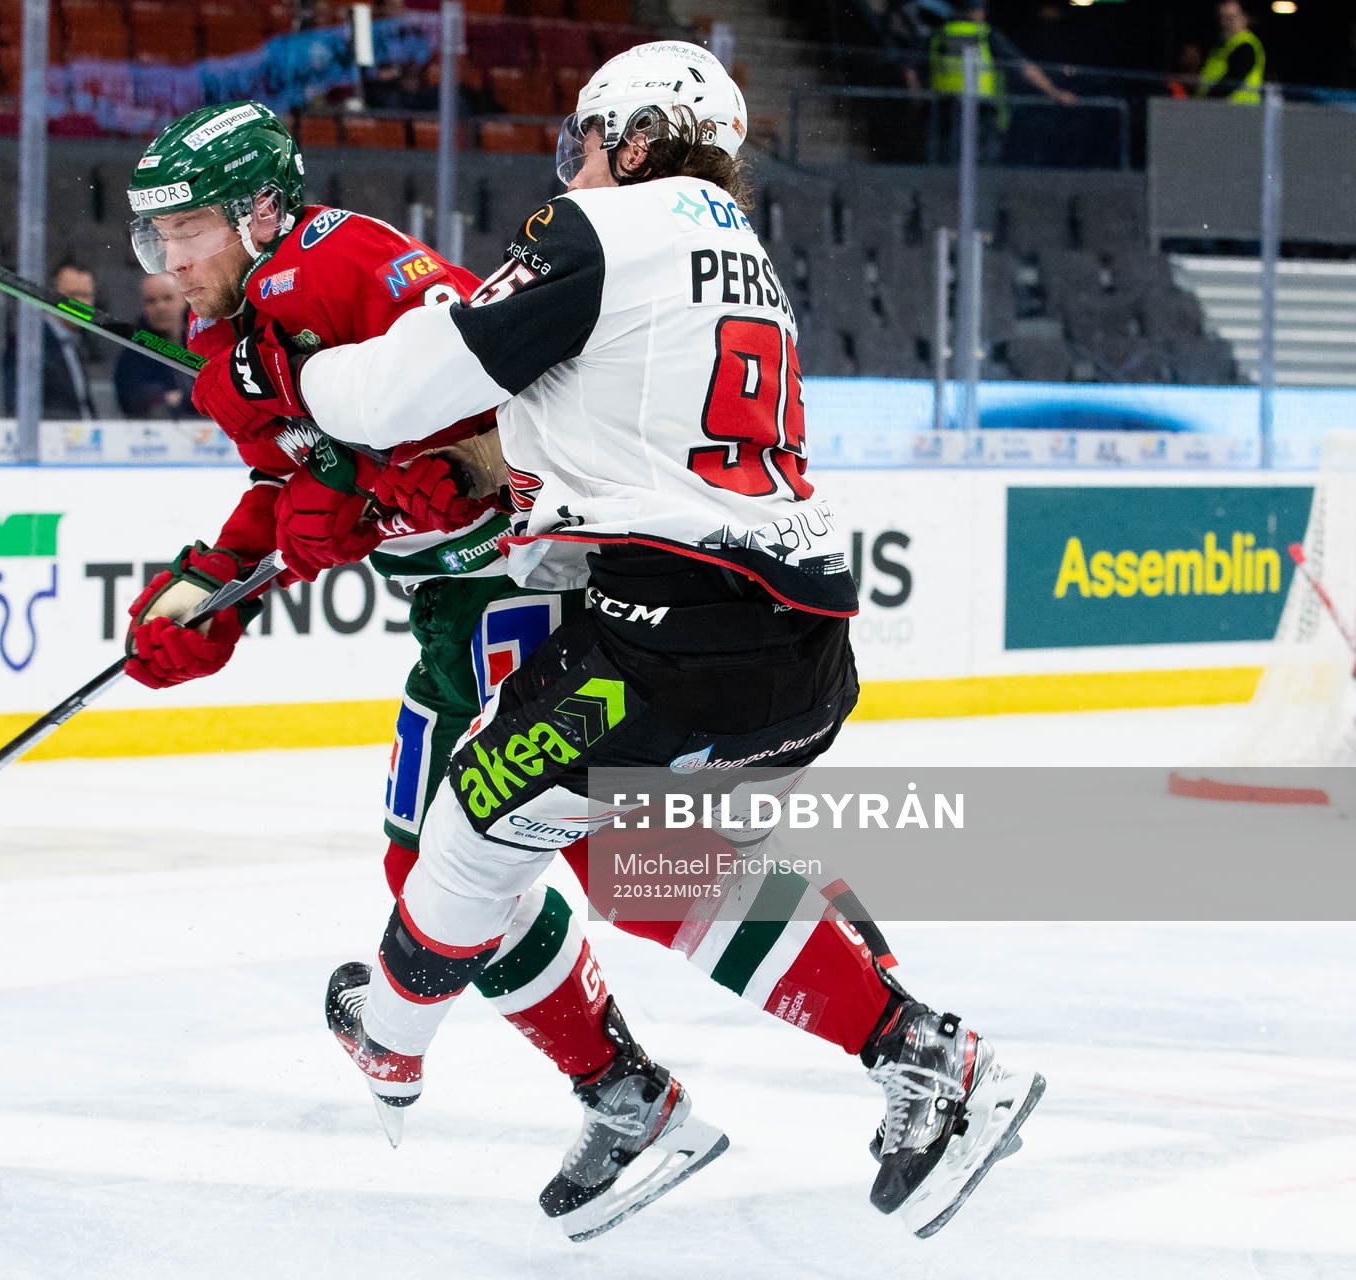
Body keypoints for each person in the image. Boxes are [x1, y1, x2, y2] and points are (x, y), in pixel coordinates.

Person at [226, 40, 1044, 1239]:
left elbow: (409, 386)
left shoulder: (603, 230)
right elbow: (585, 416)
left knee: (468, 829)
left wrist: (304, 387)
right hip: (803, 653)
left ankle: (388, 1036)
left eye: (590, 140)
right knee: (654, 872)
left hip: (672, 640)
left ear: (642, 134)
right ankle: (918, 1053)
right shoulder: (738, 253)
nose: (578, 163)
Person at [121, 99, 720, 1237]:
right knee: (503, 863)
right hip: (454, 607)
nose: (174, 259)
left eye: (191, 227)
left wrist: (432, 474)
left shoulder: (348, 264)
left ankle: (662, 1081)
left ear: (260, 208)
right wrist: (205, 590)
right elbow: (295, 477)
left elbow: (515, 384)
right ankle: (658, 1078)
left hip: (524, 581)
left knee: (465, 871)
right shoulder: (229, 344)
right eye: (157, 239)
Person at [925, 3, 1076, 163]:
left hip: (944, 107)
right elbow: (1024, 69)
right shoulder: (985, 34)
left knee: (947, 157)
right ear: (978, 11)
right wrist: (1055, 93)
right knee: (984, 158)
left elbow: (917, 69)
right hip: (981, 106)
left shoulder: (940, 34)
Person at [4, 260, 101, 419]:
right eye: (72, 295)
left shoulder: (79, 344)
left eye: (86, 296)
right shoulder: (29, 343)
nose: (80, 303)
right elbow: (15, 403)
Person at [110, 273, 191, 418]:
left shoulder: (203, 342)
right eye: (151, 301)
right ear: (143, 307)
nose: (160, 307)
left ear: (184, 299)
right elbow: (131, 400)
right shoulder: (132, 354)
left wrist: (182, 398)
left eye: (168, 298)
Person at [1200, 0, 1265, 103]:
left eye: (1230, 18)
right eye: (1221, 17)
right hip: (1217, 109)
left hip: (1237, 110)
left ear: (1244, 18)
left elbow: (1231, 82)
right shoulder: (1222, 45)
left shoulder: (1246, 46)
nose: (1224, 22)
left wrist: (1207, 100)